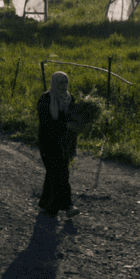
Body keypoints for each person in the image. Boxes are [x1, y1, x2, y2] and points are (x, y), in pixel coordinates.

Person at [37, 71, 79, 219]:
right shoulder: (45, 99)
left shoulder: (70, 99)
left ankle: (47, 205)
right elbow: (47, 122)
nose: (63, 85)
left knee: (55, 173)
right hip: (48, 142)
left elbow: (75, 119)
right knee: (59, 172)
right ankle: (68, 206)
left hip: (64, 143)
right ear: (54, 83)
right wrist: (66, 126)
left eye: (66, 82)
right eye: (60, 82)